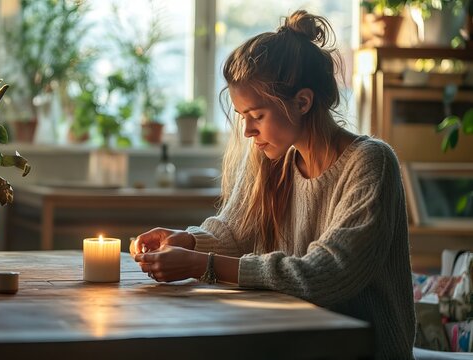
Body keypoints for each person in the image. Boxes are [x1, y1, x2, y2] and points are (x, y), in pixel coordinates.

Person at [130, 10, 416, 359]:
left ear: (303, 102)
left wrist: (198, 263)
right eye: (243, 118)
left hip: (361, 352)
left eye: (257, 116)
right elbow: (235, 233)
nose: (249, 131)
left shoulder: (370, 162)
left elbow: (325, 275)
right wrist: (186, 240)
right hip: (290, 340)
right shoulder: (272, 156)